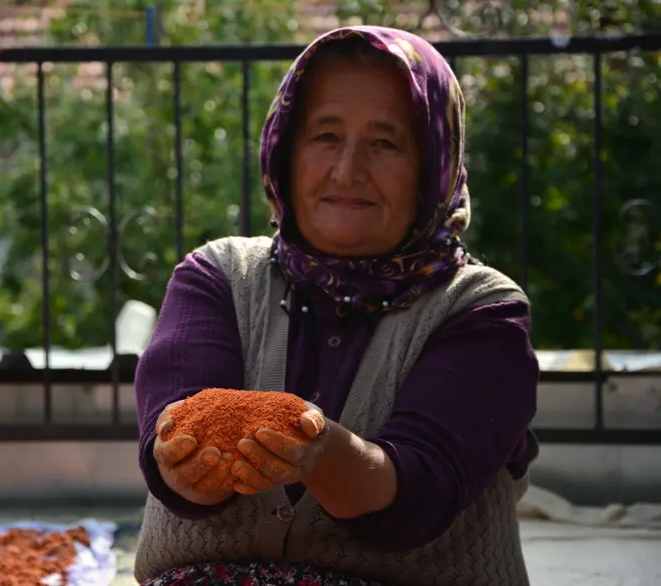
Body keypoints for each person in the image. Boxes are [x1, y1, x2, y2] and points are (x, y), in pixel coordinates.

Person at [133, 25, 539, 586]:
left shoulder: (482, 312)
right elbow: (175, 430)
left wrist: (318, 450)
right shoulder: (218, 277)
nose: (348, 171)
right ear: (285, 152)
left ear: (434, 164)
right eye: (325, 136)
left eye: (385, 143)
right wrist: (184, 468)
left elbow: (420, 494)